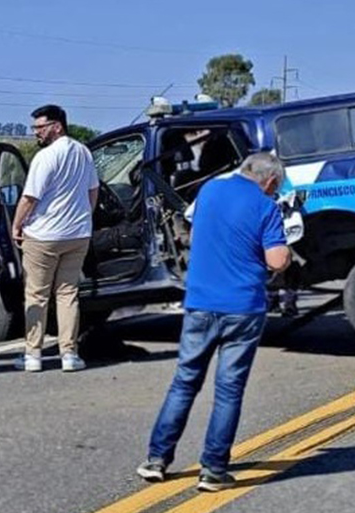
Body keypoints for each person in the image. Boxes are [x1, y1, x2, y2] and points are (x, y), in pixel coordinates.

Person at [136, 152, 291, 492]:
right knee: (228, 390)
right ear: (271, 182)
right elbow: (277, 260)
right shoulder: (267, 208)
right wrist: (287, 251)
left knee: (184, 381)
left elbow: (193, 234)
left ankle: (157, 459)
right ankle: (213, 469)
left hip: (201, 303)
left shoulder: (208, 191)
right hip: (243, 309)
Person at [11, 105, 99, 373]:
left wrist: (16, 225)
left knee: (36, 295)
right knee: (68, 294)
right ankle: (69, 354)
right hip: (77, 233)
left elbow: (29, 198)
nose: (36, 132)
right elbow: (93, 190)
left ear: (57, 126)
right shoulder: (83, 152)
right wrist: (85, 216)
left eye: (40, 127)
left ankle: (33, 354)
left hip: (44, 235)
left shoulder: (45, 157)